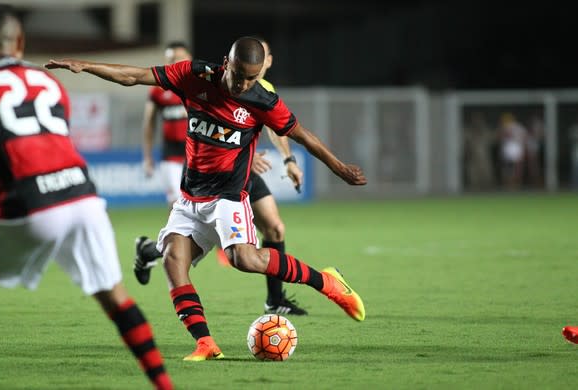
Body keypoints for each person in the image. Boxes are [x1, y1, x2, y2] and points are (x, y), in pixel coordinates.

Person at [0, 4, 172, 389]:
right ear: (20, 42)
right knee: (116, 298)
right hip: (83, 197)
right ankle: (163, 383)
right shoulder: (49, 83)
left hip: (29, 200)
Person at [46, 36, 367, 362]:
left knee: (245, 259)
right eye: (238, 75)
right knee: (173, 260)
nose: (243, 84)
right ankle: (205, 343)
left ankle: (327, 281)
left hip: (228, 197)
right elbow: (134, 75)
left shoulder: (262, 100)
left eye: (251, 78)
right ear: (226, 63)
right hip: (190, 198)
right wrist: (86, 66)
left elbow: (301, 135)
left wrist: (339, 168)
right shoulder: (195, 76)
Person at [134, 37, 309, 316]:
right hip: (212, 174)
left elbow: (278, 128)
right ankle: (150, 250)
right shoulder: (213, 82)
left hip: (242, 173)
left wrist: (288, 159)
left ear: (268, 62)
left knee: (275, 228)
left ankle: (274, 300)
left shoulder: (264, 90)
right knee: (203, 236)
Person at [141, 41, 191, 208]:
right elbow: (149, 124)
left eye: (179, 58)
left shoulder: (200, 86)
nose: (174, 63)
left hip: (197, 154)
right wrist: (147, 157)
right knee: (176, 203)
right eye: (171, 59)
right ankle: (174, 234)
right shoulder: (158, 89)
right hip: (171, 154)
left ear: (188, 59)